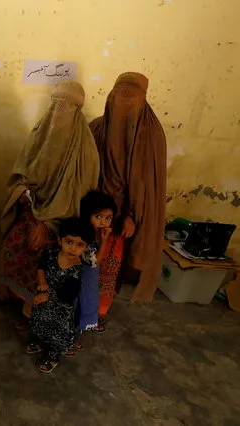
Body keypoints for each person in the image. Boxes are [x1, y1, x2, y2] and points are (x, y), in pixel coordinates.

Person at [0, 81, 99, 320]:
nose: (59, 112)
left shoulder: (85, 151)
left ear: (77, 110)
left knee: (43, 258)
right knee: (12, 245)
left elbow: (78, 197)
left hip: (60, 224)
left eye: (67, 106)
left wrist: (46, 223)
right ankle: (7, 295)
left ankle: (31, 311)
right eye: (56, 104)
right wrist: (22, 193)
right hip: (30, 211)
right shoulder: (40, 135)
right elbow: (20, 175)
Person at [89, 72, 167, 303]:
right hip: (91, 211)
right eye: (120, 94)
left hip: (125, 218)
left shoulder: (152, 136)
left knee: (110, 266)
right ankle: (80, 307)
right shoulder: (94, 129)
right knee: (84, 262)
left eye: (131, 96)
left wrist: (130, 215)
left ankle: (100, 310)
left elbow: (147, 186)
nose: (125, 102)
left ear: (144, 99)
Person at [25, 217, 93, 373]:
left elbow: (69, 293)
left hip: (60, 309)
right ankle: (40, 342)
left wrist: (48, 295)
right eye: (69, 242)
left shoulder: (77, 268)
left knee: (58, 333)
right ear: (59, 240)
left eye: (79, 245)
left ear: (86, 247)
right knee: (39, 322)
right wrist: (41, 281)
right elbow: (41, 267)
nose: (73, 248)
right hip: (43, 301)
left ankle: (53, 356)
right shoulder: (51, 254)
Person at [79, 191, 127, 332]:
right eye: (98, 217)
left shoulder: (94, 236)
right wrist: (105, 241)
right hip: (82, 282)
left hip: (88, 281)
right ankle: (71, 337)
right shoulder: (85, 238)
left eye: (108, 218)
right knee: (79, 305)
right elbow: (95, 262)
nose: (103, 222)